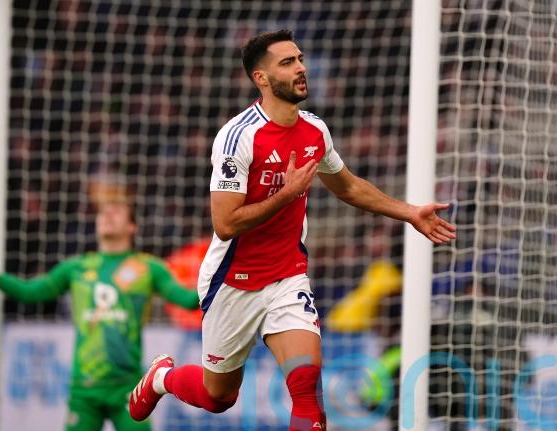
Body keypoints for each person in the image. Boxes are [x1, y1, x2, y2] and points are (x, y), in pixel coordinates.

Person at [128, 29, 456, 431]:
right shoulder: (238, 137)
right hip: (233, 280)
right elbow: (225, 225)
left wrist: (410, 212)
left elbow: (348, 186)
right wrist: (286, 194)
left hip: (287, 277)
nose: (301, 68)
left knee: (306, 388)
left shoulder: (315, 130)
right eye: (287, 63)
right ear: (261, 78)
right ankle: (161, 378)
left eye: (300, 59)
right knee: (218, 398)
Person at [0, 191, 200, 431]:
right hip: (84, 390)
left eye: (116, 211)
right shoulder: (76, 268)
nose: (107, 215)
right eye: (103, 212)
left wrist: (218, 281)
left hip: (128, 387)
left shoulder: (149, 268)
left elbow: (187, 300)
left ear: (132, 227)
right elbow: (29, 292)